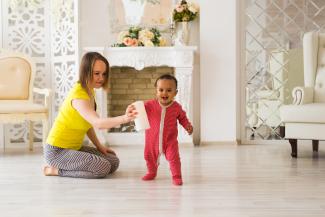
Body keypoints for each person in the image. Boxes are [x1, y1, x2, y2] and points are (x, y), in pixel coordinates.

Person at [43, 52, 137, 178]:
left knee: (113, 162)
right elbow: (98, 123)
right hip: (57, 152)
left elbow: (88, 125)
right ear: (86, 72)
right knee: (102, 167)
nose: (101, 78)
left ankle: (68, 167)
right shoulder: (79, 96)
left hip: (74, 148)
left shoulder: (89, 91)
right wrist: (125, 118)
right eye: (96, 73)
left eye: (104, 74)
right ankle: (55, 170)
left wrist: (100, 146)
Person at [142, 74, 193, 185]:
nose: (164, 93)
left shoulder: (176, 107)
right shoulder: (150, 105)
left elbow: (183, 118)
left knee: (174, 158)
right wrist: (134, 108)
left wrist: (187, 126)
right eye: (161, 90)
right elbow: (140, 109)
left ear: (175, 93)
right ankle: (152, 172)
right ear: (156, 91)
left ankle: (176, 176)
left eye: (169, 90)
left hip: (169, 141)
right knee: (148, 156)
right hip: (152, 141)